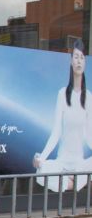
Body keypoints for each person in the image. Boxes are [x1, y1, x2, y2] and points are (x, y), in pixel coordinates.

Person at [33, 38, 92, 192]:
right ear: (71, 62)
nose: (79, 61)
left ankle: (71, 180)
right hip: (62, 161)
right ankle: (72, 182)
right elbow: (56, 133)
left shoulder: (89, 97)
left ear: (85, 62)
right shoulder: (62, 94)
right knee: (41, 168)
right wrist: (42, 158)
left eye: (82, 58)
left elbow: (89, 134)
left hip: (79, 163)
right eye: (76, 57)